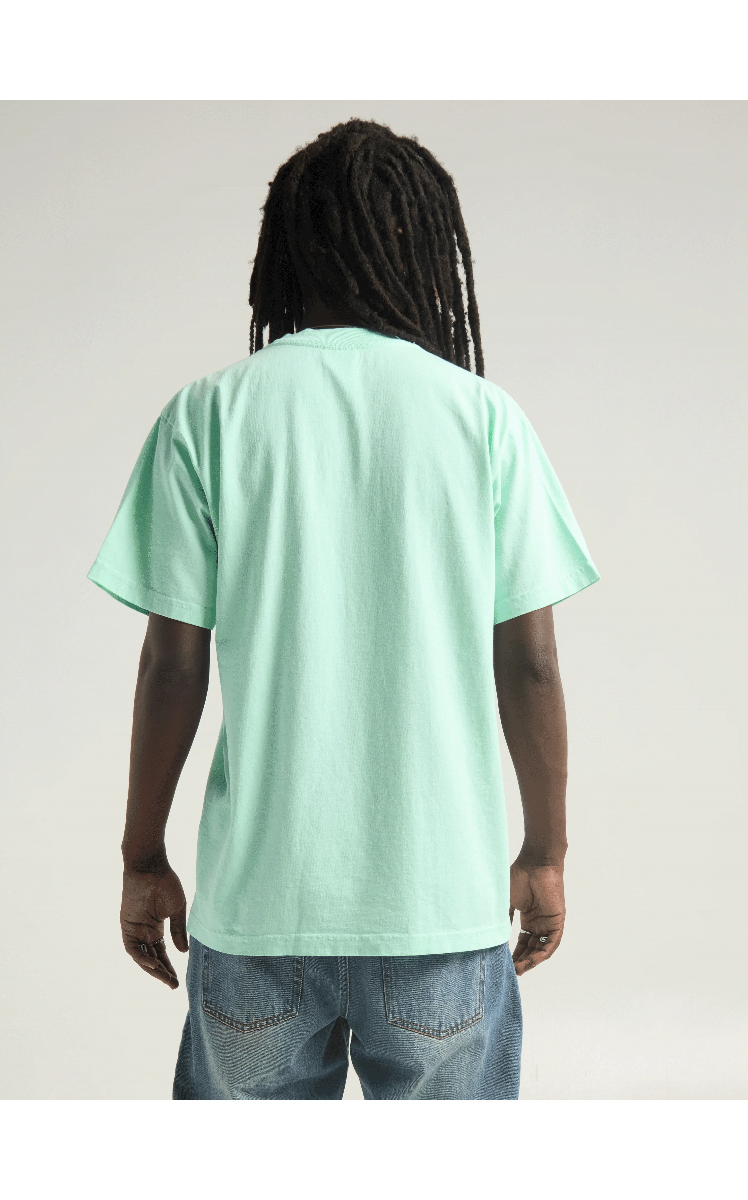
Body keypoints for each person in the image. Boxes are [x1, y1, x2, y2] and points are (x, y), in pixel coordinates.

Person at [87, 117, 600, 1100]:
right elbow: (531, 663)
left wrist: (142, 856)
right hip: (439, 914)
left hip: (257, 915)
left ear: (281, 251)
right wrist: (544, 852)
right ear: (421, 249)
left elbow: (172, 666)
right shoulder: (484, 421)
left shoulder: (209, 415)